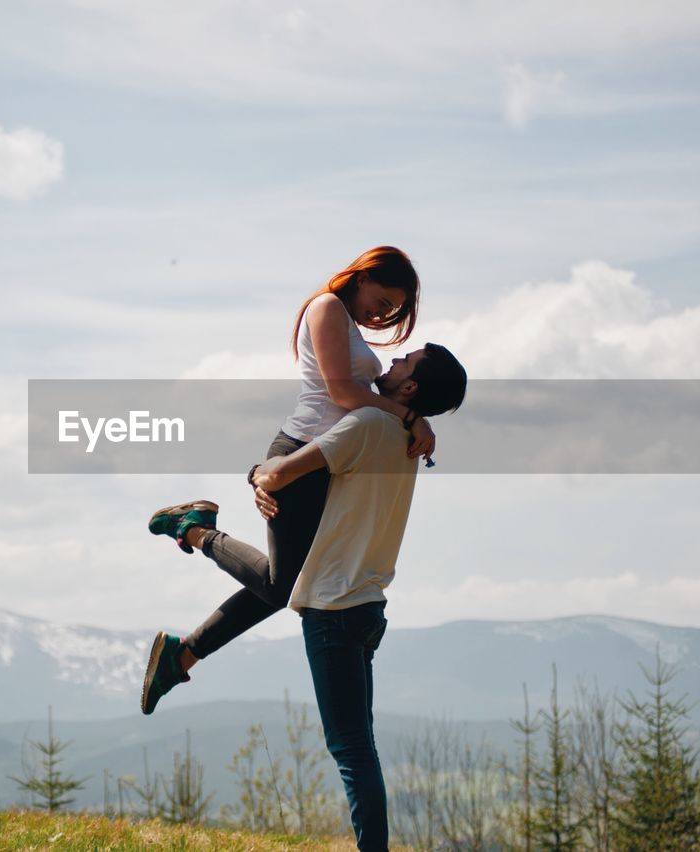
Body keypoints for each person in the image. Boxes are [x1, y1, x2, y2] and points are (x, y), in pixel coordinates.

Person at [162, 342, 467, 852]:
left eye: (404, 363)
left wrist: (258, 476)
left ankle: (196, 533)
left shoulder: (369, 424)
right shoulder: (407, 440)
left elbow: (279, 474)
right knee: (359, 745)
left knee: (350, 749)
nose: (391, 363)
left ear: (410, 387)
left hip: (335, 610)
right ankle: (195, 539)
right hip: (369, 606)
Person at [141, 247, 434, 712]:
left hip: (323, 462)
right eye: (382, 301)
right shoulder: (327, 308)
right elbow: (341, 392)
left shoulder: (349, 324)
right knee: (283, 587)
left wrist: (409, 418)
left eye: (391, 310)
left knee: (284, 585)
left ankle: (183, 654)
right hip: (300, 452)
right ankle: (195, 530)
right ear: (361, 278)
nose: (383, 313)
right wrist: (409, 413)